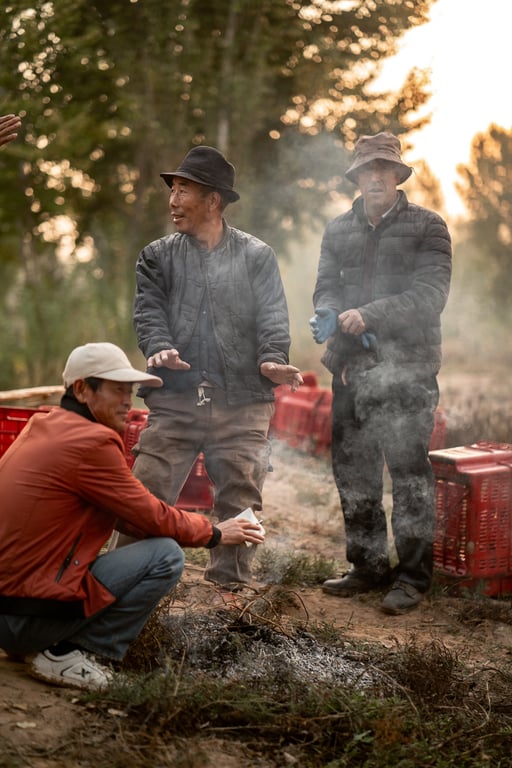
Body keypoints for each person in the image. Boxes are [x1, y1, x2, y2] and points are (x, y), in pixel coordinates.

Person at [0, 342, 264, 690]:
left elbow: (126, 514)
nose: (129, 401)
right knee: (165, 555)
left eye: (131, 392)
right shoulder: (91, 443)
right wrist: (216, 533)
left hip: (9, 611)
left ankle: (39, 645)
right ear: (81, 389)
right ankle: (70, 652)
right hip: (26, 618)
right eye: (117, 391)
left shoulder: (44, 426)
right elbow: (152, 515)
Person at [122, 145, 303, 594]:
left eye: (184, 189)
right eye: (173, 189)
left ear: (214, 201)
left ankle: (230, 593)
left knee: (241, 499)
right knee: (144, 496)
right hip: (178, 398)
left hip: (242, 400)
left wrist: (272, 358)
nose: (173, 200)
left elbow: (273, 318)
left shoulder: (256, 255)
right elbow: (148, 313)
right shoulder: (157, 256)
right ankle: (120, 586)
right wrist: (159, 347)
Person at [310, 132, 452, 615]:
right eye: (365, 170)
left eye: (382, 170)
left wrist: (370, 314)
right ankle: (367, 566)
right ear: (356, 177)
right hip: (350, 370)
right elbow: (325, 287)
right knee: (354, 471)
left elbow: (430, 296)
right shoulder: (338, 230)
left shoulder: (429, 227)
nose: (374, 177)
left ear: (396, 176)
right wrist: (327, 313)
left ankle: (412, 578)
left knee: (409, 474)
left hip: (408, 372)